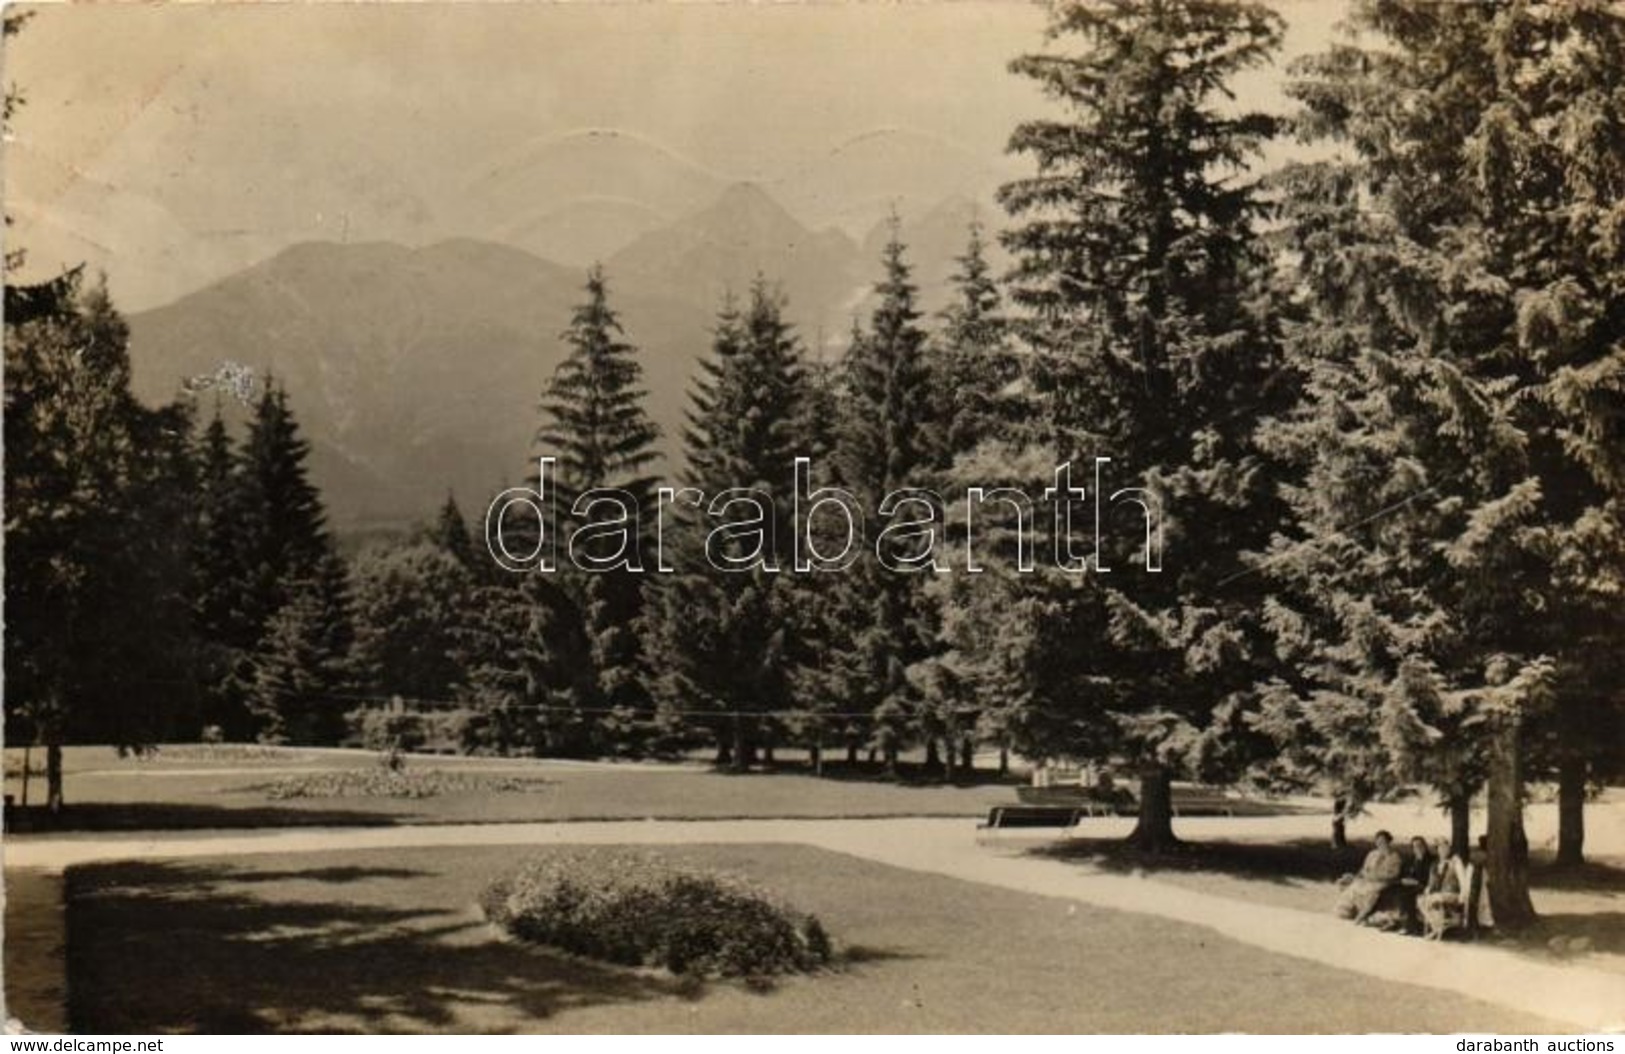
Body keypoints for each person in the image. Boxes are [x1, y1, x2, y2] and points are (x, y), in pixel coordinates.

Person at [1334, 830, 1404, 924]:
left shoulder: (1394, 856)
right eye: (1378, 841)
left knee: (1371, 891)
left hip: (1384, 881)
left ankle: (1363, 914)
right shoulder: (1372, 854)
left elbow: (1394, 874)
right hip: (1368, 879)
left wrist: (1376, 876)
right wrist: (1358, 876)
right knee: (1356, 886)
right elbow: (1364, 869)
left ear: (1388, 841)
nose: (1381, 843)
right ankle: (1349, 909)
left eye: (1383, 841)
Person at [1419, 837, 1467, 939]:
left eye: (1445, 847)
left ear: (1449, 849)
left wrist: (1463, 894)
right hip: (1438, 895)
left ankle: (1438, 929)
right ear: (1437, 850)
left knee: (1435, 898)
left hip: (1453, 894)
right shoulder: (1434, 865)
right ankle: (1437, 928)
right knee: (1421, 900)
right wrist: (1427, 889)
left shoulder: (1455, 861)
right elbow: (1430, 884)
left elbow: (1463, 880)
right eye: (1440, 848)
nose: (1443, 850)